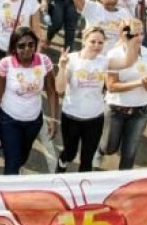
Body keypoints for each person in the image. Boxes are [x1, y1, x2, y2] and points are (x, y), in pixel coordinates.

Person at [56, 25, 141, 172]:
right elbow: (60, 89)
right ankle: (62, 161)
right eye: (93, 41)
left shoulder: (104, 61)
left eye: (100, 43)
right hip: (71, 116)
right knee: (70, 153)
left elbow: (128, 63)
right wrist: (62, 68)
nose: (96, 46)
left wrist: (128, 42)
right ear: (84, 41)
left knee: (87, 158)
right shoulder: (71, 59)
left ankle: (82, 188)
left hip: (94, 118)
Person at [0, 27, 58, 175]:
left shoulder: (44, 62)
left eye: (31, 44)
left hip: (33, 121)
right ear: (14, 47)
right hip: (9, 120)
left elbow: (51, 91)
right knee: (12, 164)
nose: (27, 49)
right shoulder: (5, 65)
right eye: (21, 45)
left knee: (22, 158)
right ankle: (9, 194)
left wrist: (53, 119)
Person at [100, 19, 147, 170]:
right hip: (116, 109)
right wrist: (139, 83)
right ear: (124, 35)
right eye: (134, 34)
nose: (139, 38)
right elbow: (111, 86)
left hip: (140, 111)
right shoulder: (113, 54)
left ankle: (123, 184)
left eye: (141, 33)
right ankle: (99, 151)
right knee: (109, 147)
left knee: (129, 153)